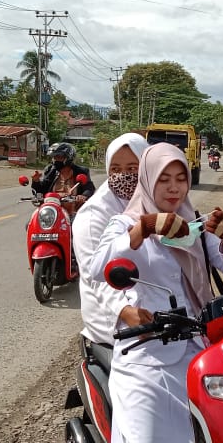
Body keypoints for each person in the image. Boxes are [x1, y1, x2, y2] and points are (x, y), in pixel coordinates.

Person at [88, 142, 223, 443]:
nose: (174, 188)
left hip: (200, 349)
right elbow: (97, 268)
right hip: (145, 355)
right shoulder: (125, 223)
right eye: (164, 179)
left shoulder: (195, 223)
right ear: (148, 180)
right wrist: (144, 228)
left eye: (181, 178)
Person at [71, 133, 150, 347]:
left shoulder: (155, 198)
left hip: (153, 310)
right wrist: (125, 311)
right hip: (113, 323)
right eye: (115, 169)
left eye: (133, 168)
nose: (124, 175)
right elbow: (94, 275)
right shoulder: (93, 216)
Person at [31, 142, 96, 215]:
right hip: (51, 212)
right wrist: (36, 181)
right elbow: (41, 190)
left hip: (74, 212)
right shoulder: (50, 170)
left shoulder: (81, 171)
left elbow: (89, 188)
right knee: (30, 224)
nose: (55, 160)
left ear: (69, 157)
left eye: (59, 157)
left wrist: (83, 196)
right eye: (54, 157)